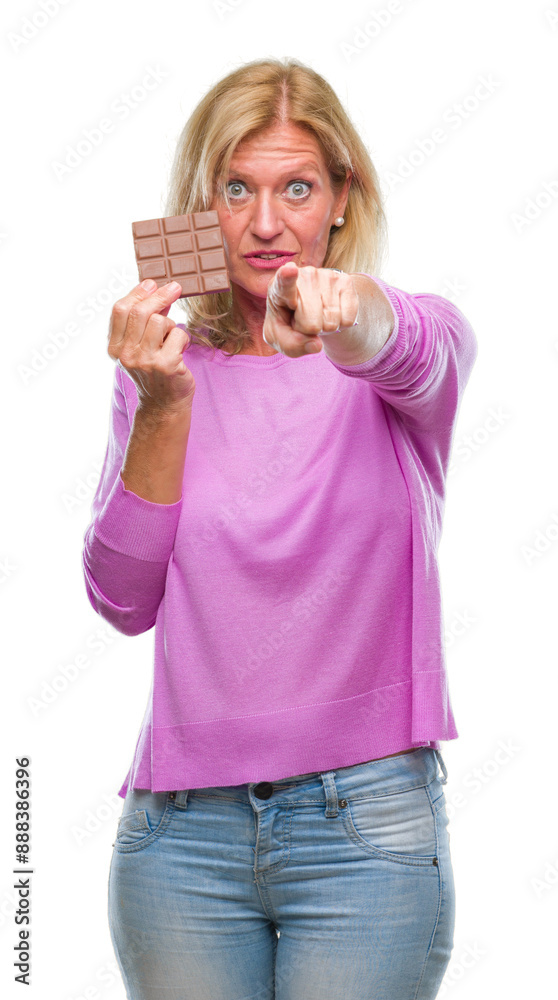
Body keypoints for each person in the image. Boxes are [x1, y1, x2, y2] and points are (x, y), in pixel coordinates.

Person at [82, 57, 477, 1000]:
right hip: (180, 838)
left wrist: (351, 318)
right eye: (237, 190)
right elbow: (121, 601)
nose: (266, 224)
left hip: (366, 834)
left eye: (297, 187)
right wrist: (163, 403)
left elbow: (404, 340)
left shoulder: (404, 358)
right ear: (201, 205)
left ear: (343, 196)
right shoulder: (165, 368)